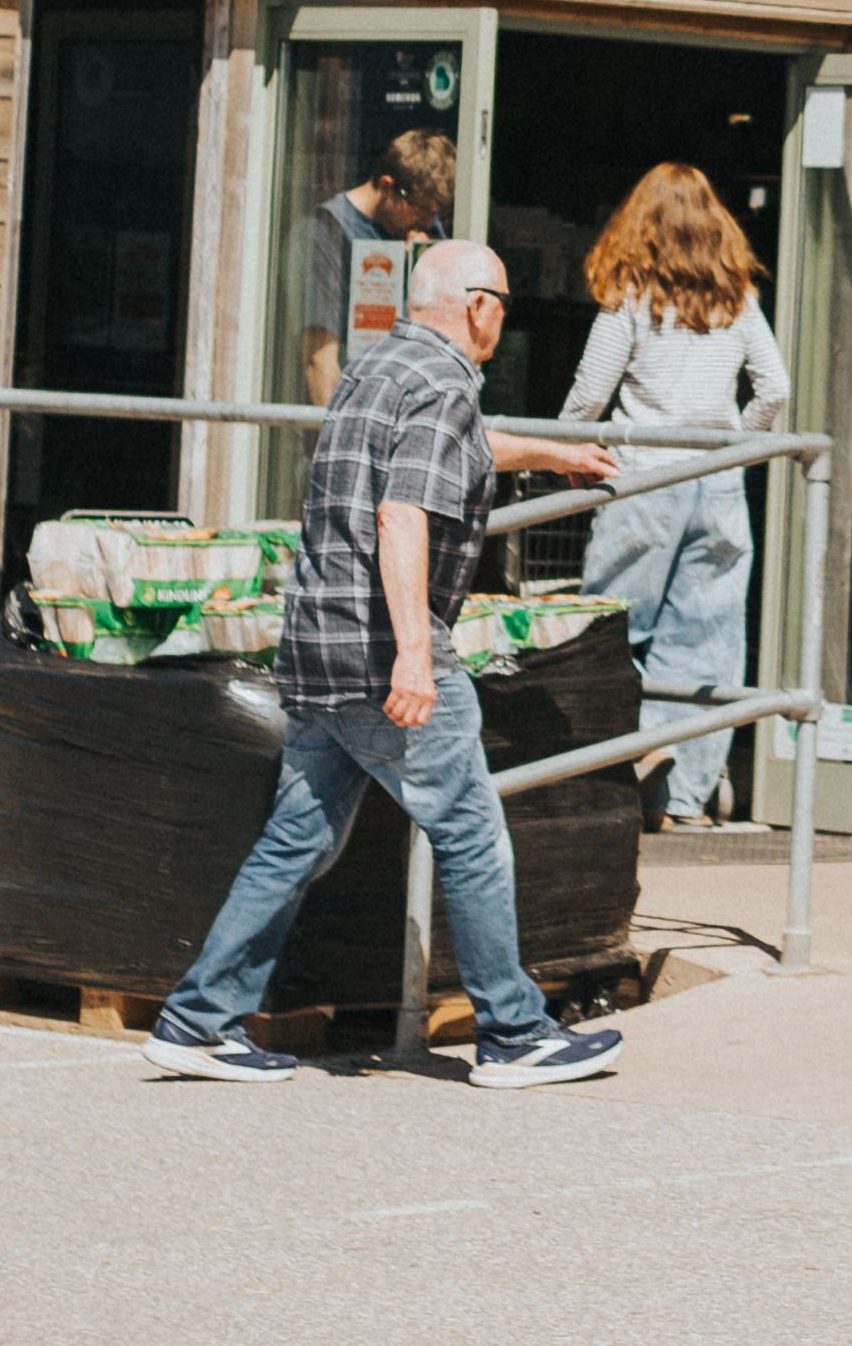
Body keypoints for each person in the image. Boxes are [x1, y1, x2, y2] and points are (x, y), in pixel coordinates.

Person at [150, 239, 622, 1087]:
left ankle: (195, 1021)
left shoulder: (383, 367)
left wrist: (554, 454)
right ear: (479, 305)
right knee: (471, 831)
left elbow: (460, 447)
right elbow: (403, 513)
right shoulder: (443, 384)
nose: (505, 324)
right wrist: (415, 656)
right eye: (505, 306)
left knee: (297, 840)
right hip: (378, 650)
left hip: (317, 642)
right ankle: (515, 1033)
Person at [560, 164, 791, 829]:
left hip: (644, 477)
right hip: (716, 483)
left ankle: (628, 759)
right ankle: (684, 796)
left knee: (613, 629)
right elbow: (774, 389)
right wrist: (735, 448)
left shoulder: (631, 294)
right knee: (707, 642)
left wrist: (572, 452)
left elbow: (587, 393)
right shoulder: (737, 296)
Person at [299, 130, 455, 402]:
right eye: (420, 210)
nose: (428, 223)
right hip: (360, 404)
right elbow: (320, 361)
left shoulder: (423, 231)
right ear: (386, 186)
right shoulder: (328, 232)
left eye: (435, 214)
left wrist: (422, 265)